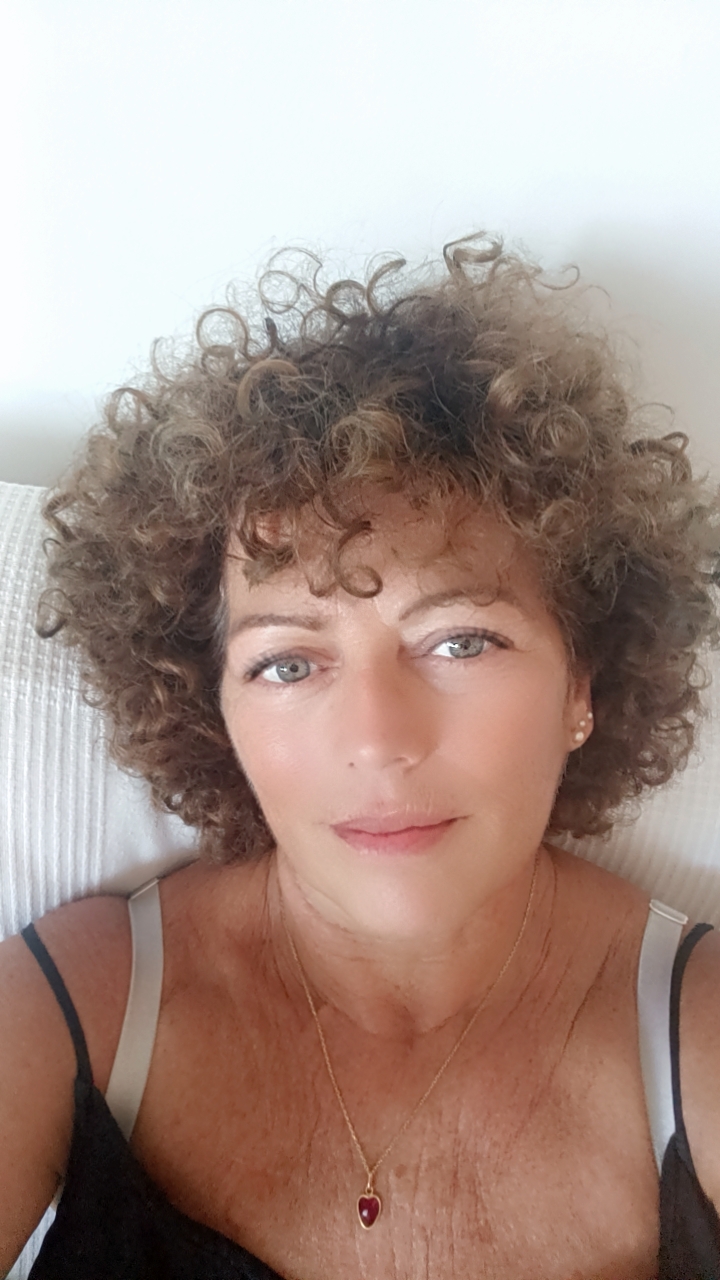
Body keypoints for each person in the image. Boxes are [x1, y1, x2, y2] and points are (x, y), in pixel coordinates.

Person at [1, 233, 719, 1280]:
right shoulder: (83, 1004)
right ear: (210, 707)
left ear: (582, 686)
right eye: (288, 664)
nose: (378, 739)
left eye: (460, 641)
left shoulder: (700, 1033)